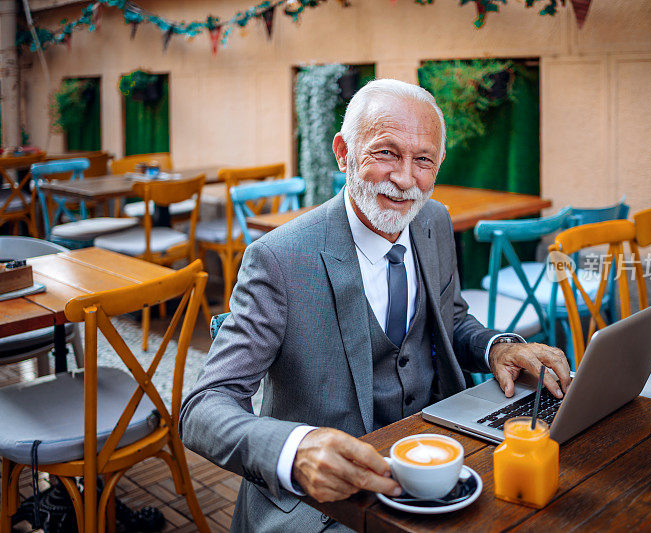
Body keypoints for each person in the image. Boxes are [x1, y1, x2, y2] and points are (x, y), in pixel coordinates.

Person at [180, 79, 571, 532]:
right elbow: (204, 407)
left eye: (423, 160)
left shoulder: (434, 221)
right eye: (386, 152)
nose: (406, 179)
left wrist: (496, 348)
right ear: (344, 152)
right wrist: (296, 450)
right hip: (323, 502)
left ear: (439, 164)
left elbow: (451, 319)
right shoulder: (278, 259)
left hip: (438, 463)